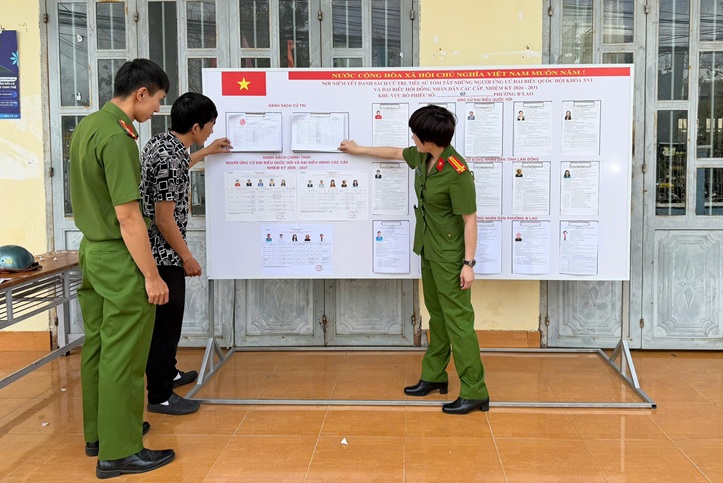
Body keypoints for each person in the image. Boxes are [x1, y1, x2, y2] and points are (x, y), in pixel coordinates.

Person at [339, 105, 489, 415]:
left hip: (450, 258)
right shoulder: (424, 157)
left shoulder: (457, 172)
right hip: (429, 249)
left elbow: (470, 220)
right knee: (437, 316)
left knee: (459, 322)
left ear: (431, 140)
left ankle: (475, 391)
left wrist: (468, 264)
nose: (412, 138)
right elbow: (395, 153)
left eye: (416, 134)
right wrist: (358, 149)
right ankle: (434, 376)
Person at [69, 58, 175, 478]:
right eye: (158, 100)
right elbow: (129, 217)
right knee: (125, 355)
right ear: (141, 93)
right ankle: (120, 452)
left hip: (92, 252)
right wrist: (152, 275)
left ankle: (100, 433)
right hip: (118, 256)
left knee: (98, 347)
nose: (157, 109)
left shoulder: (88, 127)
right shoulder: (118, 138)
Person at [140, 92, 232, 417]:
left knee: (167, 324)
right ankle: (160, 395)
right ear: (196, 127)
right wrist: (187, 257)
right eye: (210, 125)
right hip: (163, 256)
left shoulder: (162, 145)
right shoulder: (169, 159)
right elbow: (164, 219)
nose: (211, 130)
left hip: (160, 251)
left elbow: (180, 166)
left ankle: (169, 373)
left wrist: (206, 151)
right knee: (166, 326)